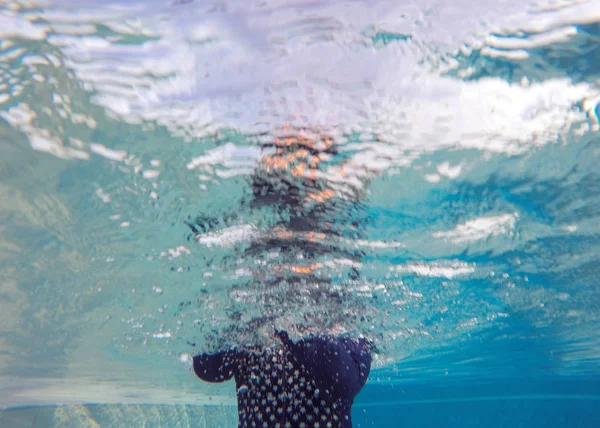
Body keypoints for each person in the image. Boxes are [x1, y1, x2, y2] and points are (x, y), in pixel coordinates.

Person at [193, 330, 372, 428]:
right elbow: (207, 367)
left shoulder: (350, 332)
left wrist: (291, 328)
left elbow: (343, 381)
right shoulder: (253, 329)